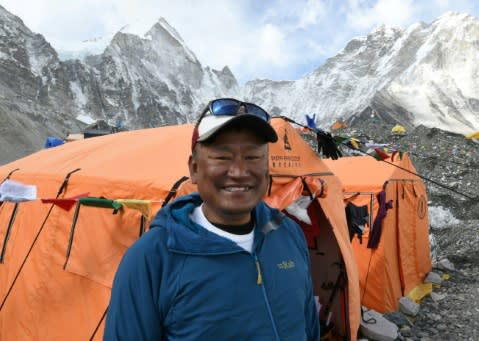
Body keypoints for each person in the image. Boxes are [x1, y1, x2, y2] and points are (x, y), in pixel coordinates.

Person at [104, 98, 320, 340]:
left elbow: (309, 328)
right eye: (222, 157)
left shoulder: (288, 234)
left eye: (252, 157)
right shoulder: (153, 258)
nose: (239, 172)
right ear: (194, 168)